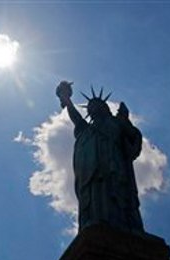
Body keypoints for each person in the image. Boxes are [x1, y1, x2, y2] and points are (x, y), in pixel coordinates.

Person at [56, 81, 145, 234]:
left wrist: (125, 120)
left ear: (105, 108)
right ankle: (97, 222)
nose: (94, 107)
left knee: (118, 196)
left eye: (98, 104)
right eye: (91, 107)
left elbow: (133, 137)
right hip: (92, 173)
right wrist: (66, 98)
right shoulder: (86, 130)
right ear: (89, 112)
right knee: (96, 199)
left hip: (115, 169)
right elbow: (75, 116)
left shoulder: (116, 122)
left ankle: (125, 225)